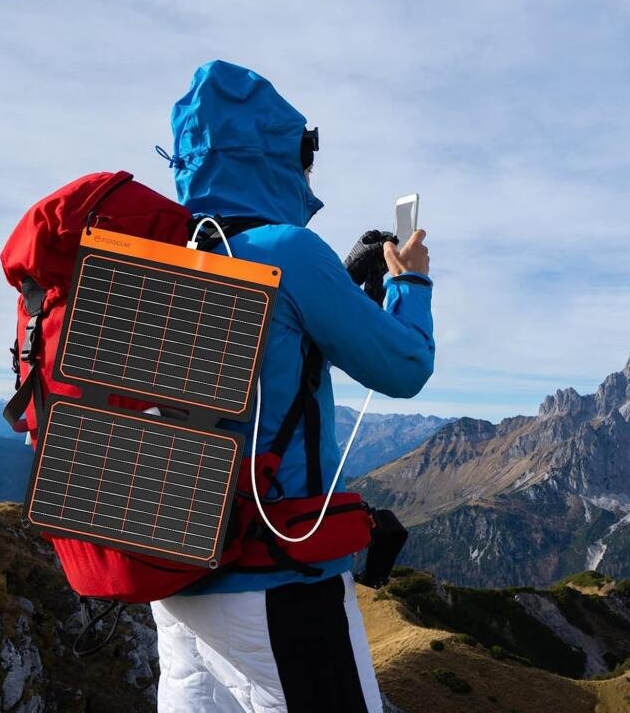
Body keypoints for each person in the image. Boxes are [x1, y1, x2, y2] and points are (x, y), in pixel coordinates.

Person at [151, 60, 435, 713]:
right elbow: (406, 366)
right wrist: (409, 284)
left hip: (178, 584)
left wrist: (337, 279)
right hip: (277, 580)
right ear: (279, 152)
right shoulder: (289, 251)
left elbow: (256, 374)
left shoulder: (164, 258)